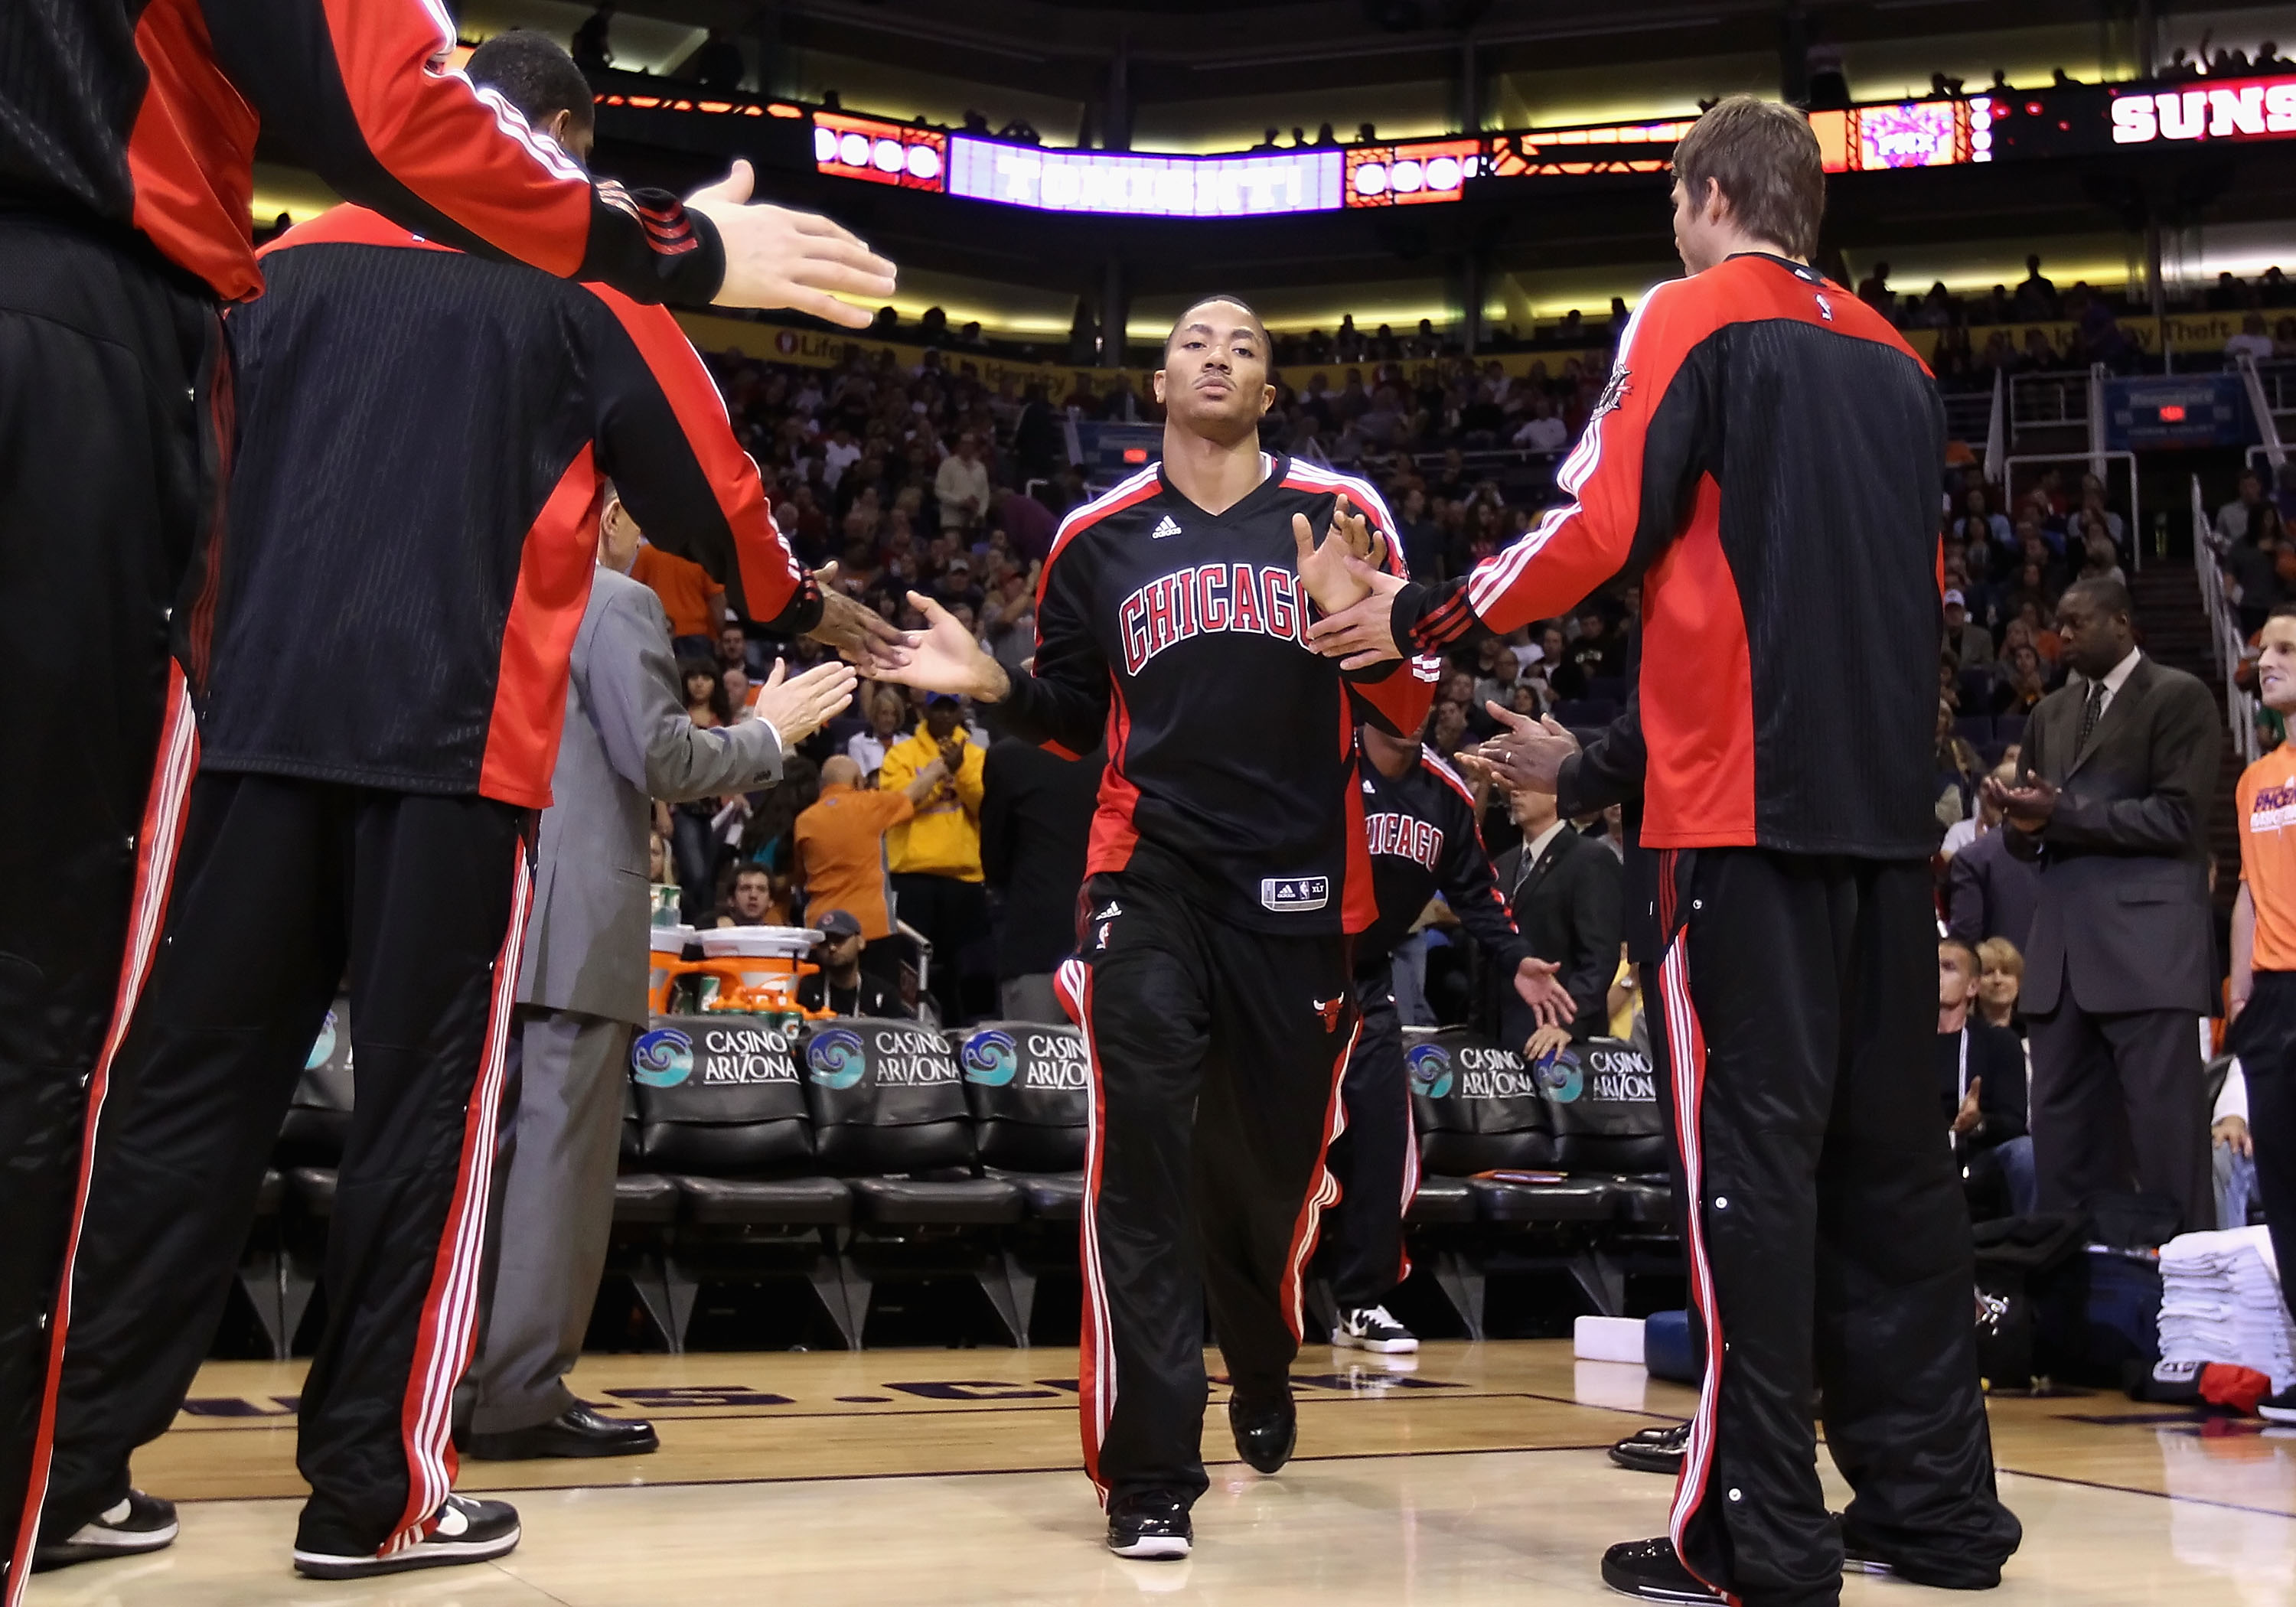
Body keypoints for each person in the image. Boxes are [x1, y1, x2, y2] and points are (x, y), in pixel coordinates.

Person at [0, 6, 893, 1593]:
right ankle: (371, 1494)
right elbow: (710, 492)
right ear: (572, 150)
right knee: (420, 1121)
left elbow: (188, 478)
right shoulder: (577, 268)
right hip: (451, 745)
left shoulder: (272, 261)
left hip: (254, 732)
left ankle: (57, 1470)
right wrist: (793, 598)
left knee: (174, 1109)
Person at [1308, 96, 2020, 1603]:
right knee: (1894, 1177)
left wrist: (1426, 616)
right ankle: (1937, 1513)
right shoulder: (1900, 361)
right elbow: (1913, 600)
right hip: (1890, 826)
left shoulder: (1687, 313)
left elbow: (1593, 517)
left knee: (1747, 1177)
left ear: (1706, 195)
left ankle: (1753, 1535)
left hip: (1739, 824)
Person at [874, 294, 1548, 1561]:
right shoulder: (1095, 538)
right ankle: (1149, 1473)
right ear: (1162, 379)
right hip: (1150, 880)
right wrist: (996, 688)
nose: (1219, 355)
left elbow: (1410, 701)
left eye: (1245, 343)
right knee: (1141, 1161)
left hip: (1297, 898)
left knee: (1267, 1173)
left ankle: (1264, 1345)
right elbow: (1074, 714)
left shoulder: (1340, 512)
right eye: (1196, 340)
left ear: (1270, 388)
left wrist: (1363, 617)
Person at [458, 490, 852, 1468]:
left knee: (483, 1172)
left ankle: (452, 1378)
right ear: (615, 512)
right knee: (555, 1170)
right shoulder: (612, 599)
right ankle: (514, 1396)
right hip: (577, 919)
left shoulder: (472, 586)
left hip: (479, 912)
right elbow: (665, 756)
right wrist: (771, 727)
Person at [1985, 578, 2222, 1236]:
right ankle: (2073, 1304)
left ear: (2122, 623)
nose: (2062, 636)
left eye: (2078, 622)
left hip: (2147, 950)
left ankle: (2190, 1296)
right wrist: (2021, 824)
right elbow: (2028, 838)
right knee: (2062, 1147)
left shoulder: (2179, 696)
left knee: (2166, 1142)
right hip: (2061, 955)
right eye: (2058, 623)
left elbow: (2178, 818)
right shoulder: (2049, 715)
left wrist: (2063, 813)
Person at [1323, 715, 1544, 1356]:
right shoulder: (1314, 759)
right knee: (1278, 1144)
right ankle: (1253, 1299)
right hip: (1286, 971)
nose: (1415, 710)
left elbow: (1478, 892)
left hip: (1366, 979)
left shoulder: (1444, 790)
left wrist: (1517, 956)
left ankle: (1360, 1300)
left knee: (1385, 1136)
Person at [2224, 602, 2296, 1420]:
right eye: (2263, 650)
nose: (2266, 660)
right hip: (2274, 1000)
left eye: (2284, 649)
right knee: (2283, 1187)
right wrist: (2240, 993)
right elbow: (2248, 890)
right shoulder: (2254, 779)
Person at [879, 694, 990, 1025]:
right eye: (937, 707)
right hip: (913, 878)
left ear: (961, 712)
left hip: (964, 880)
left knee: (967, 975)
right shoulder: (901, 754)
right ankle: (909, 1034)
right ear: (923, 709)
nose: (943, 714)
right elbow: (897, 806)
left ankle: (969, 1040)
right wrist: (942, 771)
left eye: (950, 707)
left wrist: (963, 773)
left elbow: (986, 805)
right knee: (911, 973)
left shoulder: (977, 756)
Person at [980, 739, 1105, 1024]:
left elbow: (994, 859)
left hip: (1035, 937)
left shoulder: (1008, 756)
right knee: (1105, 1066)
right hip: (1103, 937)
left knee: (1033, 1060)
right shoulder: (1115, 753)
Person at [794, 754, 946, 983]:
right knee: (880, 1013)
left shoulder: (804, 821)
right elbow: (913, 794)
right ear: (857, 782)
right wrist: (936, 769)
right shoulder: (869, 803)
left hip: (822, 932)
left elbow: (799, 876)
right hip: (871, 929)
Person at [1492, 782, 1623, 1048]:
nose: (1516, 791)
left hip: (1559, 1042)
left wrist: (1568, 1025)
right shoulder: (1502, 865)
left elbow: (1599, 956)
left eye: (1527, 781)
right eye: (1513, 784)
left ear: (1557, 795)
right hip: (1499, 1041)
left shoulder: (1591, 859)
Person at [1937, 938, 2036, 1219]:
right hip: (1917, 1150)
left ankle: (2033, 1246)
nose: (1936, 974)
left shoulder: (1998, 1043)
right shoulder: (1902, 1042)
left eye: (1948, 967)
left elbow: (2014, 1123)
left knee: (2025, 1154)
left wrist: (1977, 1124)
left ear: (1972, 986)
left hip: (1977, 1155)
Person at [1945, 766, 2040, 951]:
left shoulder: (1972, 858)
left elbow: (1965, 942)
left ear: (1989, 797)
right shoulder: (2076, 852)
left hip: (2000, 975)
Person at [797, 910, 906, 1018]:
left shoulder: (884, 994)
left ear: (860, 942)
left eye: (839, 939)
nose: (832, 947)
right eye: (824, 943)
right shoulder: (806, 989)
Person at [632, 537, 728, 658]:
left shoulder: (646, 553)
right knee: (698, 676)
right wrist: (719, 634)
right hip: (697, 634)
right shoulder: (702, 556)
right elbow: (717, 599)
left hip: (658, 632)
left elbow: (635, 594)